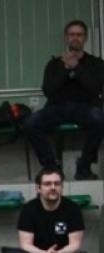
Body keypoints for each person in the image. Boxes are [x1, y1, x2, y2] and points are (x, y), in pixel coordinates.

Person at [22, 20, 104, 180]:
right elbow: (48, 90)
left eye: (79, 35)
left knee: (100, 120)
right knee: (30, 123)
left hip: (85, 107)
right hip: (57, 107)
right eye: (72, 34)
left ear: (85, 38)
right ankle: (52, 167)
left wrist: (77, 68)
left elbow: (95, 88)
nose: (75, 38)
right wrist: (65, 69)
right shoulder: (54, 64)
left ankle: (84, 167)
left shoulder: (97, 63)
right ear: (66, 38)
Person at [3, 169, 96, 253]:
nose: (53, 187)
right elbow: (25, 244)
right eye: (47, 184)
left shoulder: (73, 208)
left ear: (62, 187)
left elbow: (75, 244)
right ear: (38, 188)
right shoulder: (28, 209)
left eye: (57, 184)